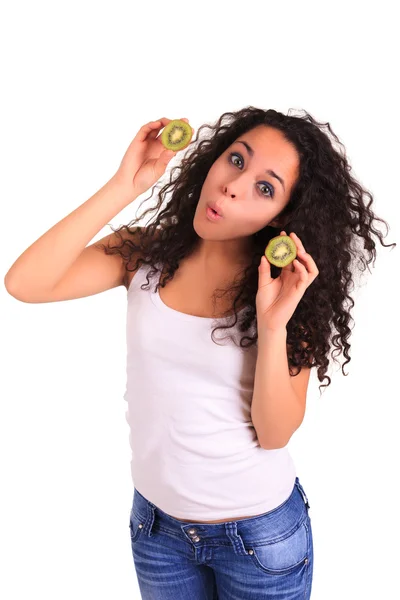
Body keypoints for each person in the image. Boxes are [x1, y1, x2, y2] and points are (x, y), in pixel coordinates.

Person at [4, 107, 396, 599]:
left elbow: (274, 435)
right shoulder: (143, 254)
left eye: (265, 187)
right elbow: (25, 283)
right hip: (157, 530)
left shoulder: (286, 298)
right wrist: (127, 185)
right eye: (236, 160)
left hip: (258, 539)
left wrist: (273, 327)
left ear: (282, 218)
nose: (234, 186)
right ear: (212, 159)